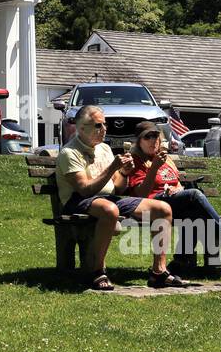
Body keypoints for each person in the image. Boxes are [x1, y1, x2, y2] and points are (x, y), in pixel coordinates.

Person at [56, 105, 183, 289]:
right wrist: (112, 168)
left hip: (108, 199)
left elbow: (117, 187)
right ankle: (98, 271)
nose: (104, 129)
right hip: (79, 201)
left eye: (105, 124)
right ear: (81, 128)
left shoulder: (105, 149)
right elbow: (84, 190)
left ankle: (158, 272)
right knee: (110, 210)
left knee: (162, 209)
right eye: (98, 125)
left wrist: (123, 173)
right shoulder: (70, 153)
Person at [125, 121, 221, 264]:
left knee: (195, 213)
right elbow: (141, 194)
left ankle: (181, 261)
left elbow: (176, 183)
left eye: (155, 136)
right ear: (139, 141)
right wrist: (154, 169)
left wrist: (177, 189)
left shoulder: (165, 159)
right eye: (147, 137)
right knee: (194, 196)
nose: (153, 140)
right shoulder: (136, 160)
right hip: (152, 205)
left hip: (172, 202)